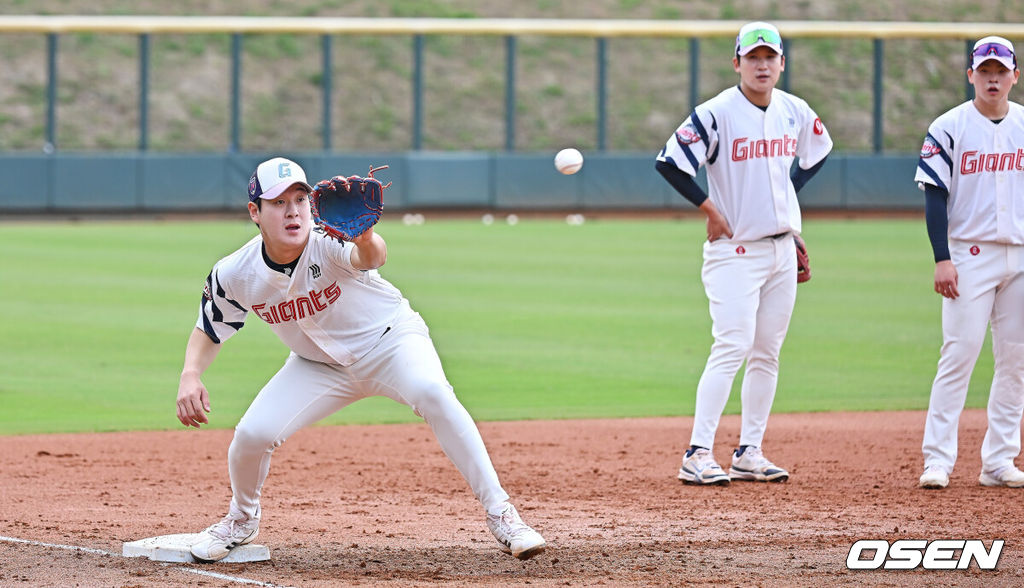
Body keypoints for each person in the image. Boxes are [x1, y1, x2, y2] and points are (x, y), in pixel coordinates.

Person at [176, 157, 546, 561]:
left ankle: (502, 514)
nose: (293, 211)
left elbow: (372, 257)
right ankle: (242, 519)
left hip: (391, 343)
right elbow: (211, 327)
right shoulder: (234, 273)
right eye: (279, 203)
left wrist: (366, 237)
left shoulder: (329, 236)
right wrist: (191, 374)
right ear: (255, 212)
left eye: (299, 199)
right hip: (316, 367)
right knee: (252, 434)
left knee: (433, 392)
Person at [654, 21, 832, 486]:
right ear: (737, 63)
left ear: (782, 64)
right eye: (753, 57)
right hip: (734, 253)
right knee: (732, 345)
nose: (762, 65)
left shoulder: (794, 110)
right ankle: (697, 452)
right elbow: (669, 163)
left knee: (767, 352)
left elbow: (818, 151)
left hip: (781, 251)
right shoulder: (716, 113)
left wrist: (787, 207)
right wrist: (709, 209)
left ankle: (749, 451)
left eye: (769, 57)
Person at [916, 36, 1024, 490]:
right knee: (958, 355)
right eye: (985, 71)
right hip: (969, 255)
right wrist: (942, 258)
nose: (992, 78)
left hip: (1020, 255)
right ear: (971, 76)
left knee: (1016, 361)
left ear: (1014, 76)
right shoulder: (949, 127)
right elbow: (934, 195)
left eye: (1000, 71)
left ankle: (999, 460)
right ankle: (937, 460)